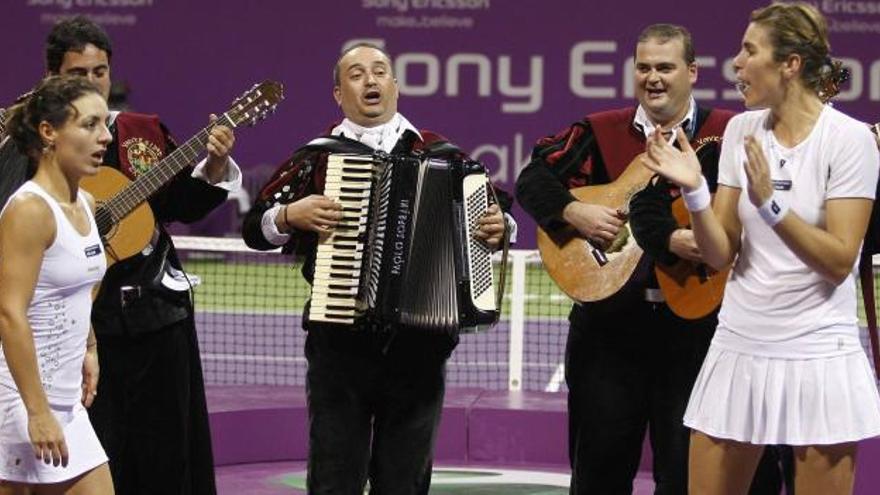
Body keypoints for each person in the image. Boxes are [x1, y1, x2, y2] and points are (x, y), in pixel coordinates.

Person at [516, 24, 787, 494]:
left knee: (687, 476)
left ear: (693, 72)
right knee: (598, 473)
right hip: (608, 332)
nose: (653, 78)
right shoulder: (596, 130)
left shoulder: (731, 133)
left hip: (701, 335)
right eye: (644, 67)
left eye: (665, 67)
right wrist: (573, 210)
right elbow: (533, 180)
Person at [241, 42, 509, 494]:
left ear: (396, 87)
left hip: (419, 346)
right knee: (333, 477)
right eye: (357, 73)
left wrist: (501, 228)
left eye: (380, 71)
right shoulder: (316, 157)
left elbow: (496, 217)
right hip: (339, 343)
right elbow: (255, 229)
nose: (370, 80)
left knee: (405, 480)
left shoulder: (442, 155)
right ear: (338, 94)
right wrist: (288, 216)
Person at [640, 4, 880, 494]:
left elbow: (838, 261)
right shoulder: (741, 131)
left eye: (749, 50)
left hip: (819, 355)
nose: (736, 63)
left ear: (789, 64)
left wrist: (771, 205)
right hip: (739, 346)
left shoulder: (850, 140)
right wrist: (694, 194)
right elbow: (719, 253)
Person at [33, 16, 239, 495]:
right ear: (52, 79)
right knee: (94, 461)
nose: (91, 83)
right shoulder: (31, 144)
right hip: (76, 332)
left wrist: (214, 165)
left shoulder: (140, 132)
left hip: (157, 322)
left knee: (169, 458)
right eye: (77, 73)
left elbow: (178, 206)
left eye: (99, 71)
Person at [0, 76, 113, 493]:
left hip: (66, 402)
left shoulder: (86, 203)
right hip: (17, 399)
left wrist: (89, 347)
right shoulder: (29, 210)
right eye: (88, 125)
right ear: (49, 132)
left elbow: (76, 290)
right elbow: (10, 313)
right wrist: (36, 410)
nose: (104, 137)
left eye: (105, 124)